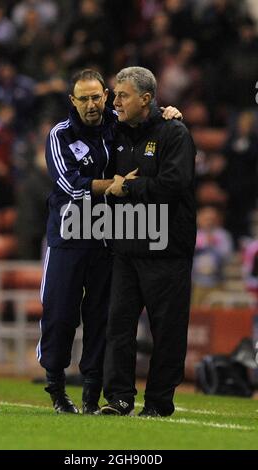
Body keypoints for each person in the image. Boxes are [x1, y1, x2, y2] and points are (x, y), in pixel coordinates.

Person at [36, 68, 182, 415]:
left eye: (96, 97)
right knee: (59, 316)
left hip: (105, 239)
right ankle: (56, 386)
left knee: (102, 319)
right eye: (83, 98)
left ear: (105, 95)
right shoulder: (59, 135)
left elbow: (144, 114)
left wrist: (167, 112)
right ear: (72, 101)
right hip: (68, 237)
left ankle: (90, 395)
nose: (91, 104)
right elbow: (70, 185)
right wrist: (111, 185)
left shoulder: (116, 125)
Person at [100, 66, 196, 417]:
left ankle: (158, 403)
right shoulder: (116, 131)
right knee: (119, 328)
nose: (115, 101)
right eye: (115, 94)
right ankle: (119, 398)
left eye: (122, 95)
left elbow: (174, 184)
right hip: (127, 247)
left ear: (146, 98)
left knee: (167, 332)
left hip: (167, 250)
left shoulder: (175, 133)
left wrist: (129, 186)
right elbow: (82, 116)